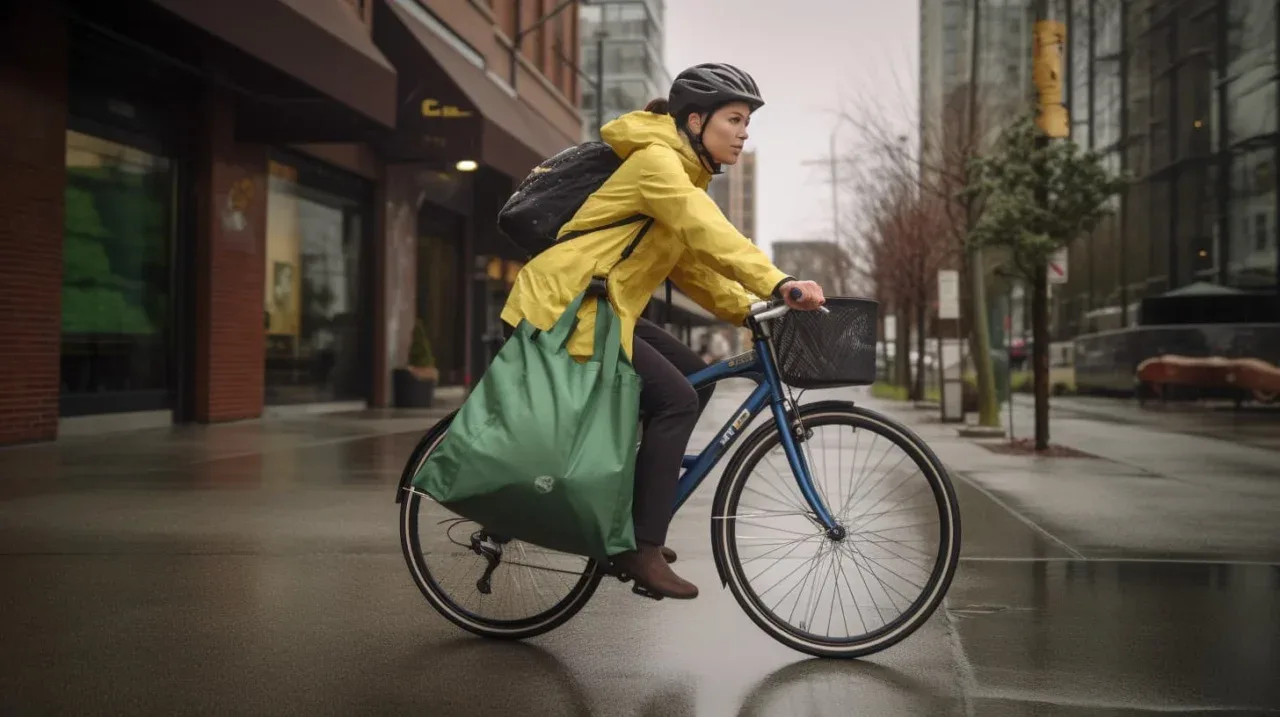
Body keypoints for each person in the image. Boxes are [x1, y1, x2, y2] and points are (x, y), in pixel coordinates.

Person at [500, 63, 826, 600]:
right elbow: (707, 229)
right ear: (695, 120)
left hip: (606, 309)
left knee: (696, 378)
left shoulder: (683, 173)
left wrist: (748, 308)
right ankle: (641, 546)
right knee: (675, 399)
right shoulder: (657, 164)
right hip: (566, 307)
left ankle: (626, 515)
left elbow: (693, 265)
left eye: (748, 122)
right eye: (735, 119)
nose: (744, 132)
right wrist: (780, 281)